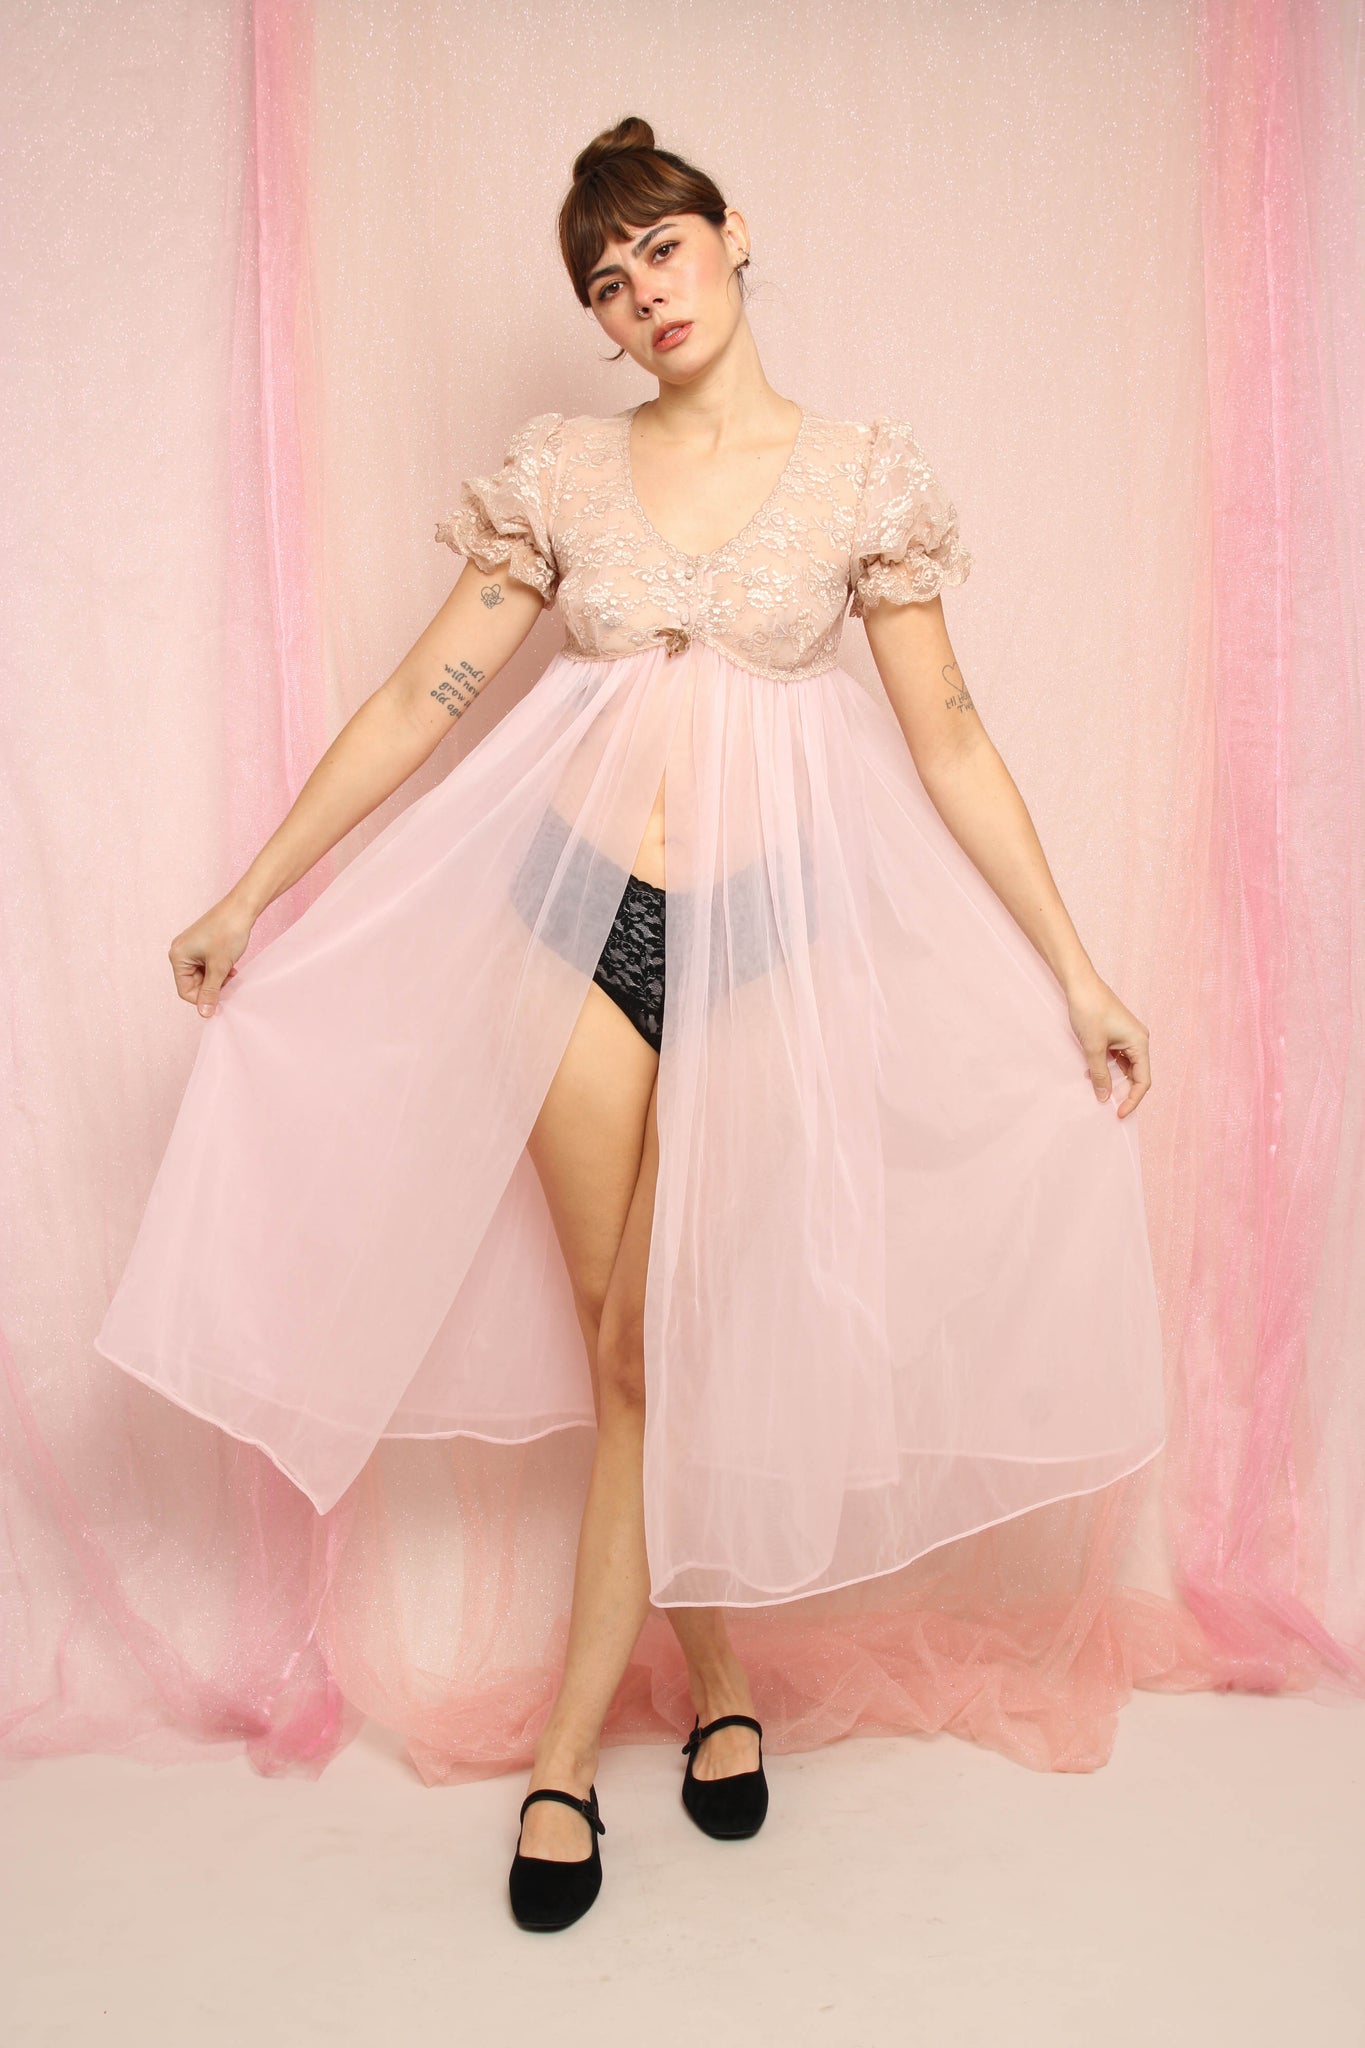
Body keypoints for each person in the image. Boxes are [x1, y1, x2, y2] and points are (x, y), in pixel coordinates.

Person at [94, 116, 1164, 1932]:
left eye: (659, 249)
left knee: (653, 1349)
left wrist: (1074, 967)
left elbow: (952, 739)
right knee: (633, 1355)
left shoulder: (857, 477)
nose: (640, 294)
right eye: (605, 281)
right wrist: (251, 891)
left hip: (766, 936)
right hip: (568, 918)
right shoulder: (567, 473)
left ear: (731, 234)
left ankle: (568, 1756)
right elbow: (423, 696)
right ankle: (712, 1683)